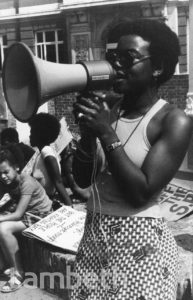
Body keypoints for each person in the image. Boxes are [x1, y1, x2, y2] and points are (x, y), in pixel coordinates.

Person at [71, 19, 193, 300]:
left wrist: (105, 132)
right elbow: (80, 179)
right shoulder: (108, 110)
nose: (117, 65)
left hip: (140, 244)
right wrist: (88, 135)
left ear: (158, 67)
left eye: (129, 58)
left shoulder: (173, 121)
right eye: (113, 58)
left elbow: (141, 192)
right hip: (94, 236)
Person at [0, 146, 52, 293]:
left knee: (3, 228)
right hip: (27, 213)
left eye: (5, 172)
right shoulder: (5, 183)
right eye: (0, 174)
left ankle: (18, 273)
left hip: (40, 215)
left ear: (16, 167)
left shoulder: (26, 182)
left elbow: (17, 214)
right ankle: (4, 264)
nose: (3, 176)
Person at [28, 113, 72, 207]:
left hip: (43, 202)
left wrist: (69, 206)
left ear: (39, 135)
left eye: (32, 133)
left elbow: (58, 181)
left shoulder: (46, 151)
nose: (29, 136)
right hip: (39, 200)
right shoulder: (40, 154)